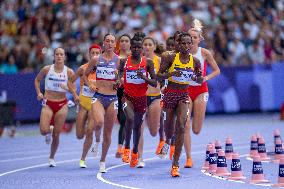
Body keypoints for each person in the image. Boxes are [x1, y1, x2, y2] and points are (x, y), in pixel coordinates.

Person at [157, 32, 202, 177]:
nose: (187, 46)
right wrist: (171, 74)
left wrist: (197, 78)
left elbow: (200, 79)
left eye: (190, 43)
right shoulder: (168, 57)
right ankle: (168, 141)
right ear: (178, 44)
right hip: (170, 94)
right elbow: (159, 76)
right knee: (169, 130)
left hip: (184, 95)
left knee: (182, 125)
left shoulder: (195, 61)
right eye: (184, 43)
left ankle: (175, 165)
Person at [183, 19, 220, 168]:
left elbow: (217, 70)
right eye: (189, 37)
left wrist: (206, 78)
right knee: (185, 125)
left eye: (194, 37)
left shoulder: (204, 53)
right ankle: (188, 158)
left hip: (200, 91)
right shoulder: (180, 54)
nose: (191, 40)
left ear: (199, 40)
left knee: (196, 129)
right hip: (186, 91)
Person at [34, 47, 79, 167]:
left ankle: (52, 158)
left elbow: (74, 88)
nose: (59, 56)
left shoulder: (69, 72)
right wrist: (39, 93)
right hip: (48, 102)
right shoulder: (47, 69)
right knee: (43, 130)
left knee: (57, 134)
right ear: (54, 56)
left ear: (65, 57)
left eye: (61, 54)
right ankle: (48, 131)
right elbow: (37, 80)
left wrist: (69, 89)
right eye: (57, 54)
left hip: (62, 104)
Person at [118, 32, 157, 167]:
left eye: (138, 48)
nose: (136, 49)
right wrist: (118, 80)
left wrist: (144, 77)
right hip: (127, 97)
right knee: (129, 118)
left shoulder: (148, 62)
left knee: (137, 127)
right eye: (133, 47)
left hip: (141, 99)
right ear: (131, 48)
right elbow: (119, 74)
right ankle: (127, 148)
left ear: (142, 49)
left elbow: (154, 82)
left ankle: (135, 151)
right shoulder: (124, 61)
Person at [85, 34, 119, 173]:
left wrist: (119, 81)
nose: (110, 43)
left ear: (115, 44)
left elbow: (122, 79)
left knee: (108, 132)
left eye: (112, 41)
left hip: (112, 99)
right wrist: (90, 85)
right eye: (107, 41)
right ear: (104, 43)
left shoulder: (119, 61)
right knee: (98, 122)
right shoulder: (95, 59)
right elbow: (85, 75)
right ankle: (96, 139)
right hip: (98, 97)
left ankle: (103, 161)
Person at [74, 44, 102, 168]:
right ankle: (95, 136)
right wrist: (75, 94)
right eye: (93, 53)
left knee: (89, 130)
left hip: (95, 103)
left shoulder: (104, 70)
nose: (95, 55)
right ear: (88, 54)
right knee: (80, 135)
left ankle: (82, 159)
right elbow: (70, 81)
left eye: (97, 53)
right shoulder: (82, 68)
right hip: (83, 103)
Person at [137, 36, 162, 168]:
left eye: (149, 44)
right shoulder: (138, 61)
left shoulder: (159, 60)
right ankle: (140, 157)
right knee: (139, 128)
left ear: (154, 46)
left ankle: (162, 134)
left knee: (153, 131)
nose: (146, 47)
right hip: (140, 98)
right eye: (144, 45)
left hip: (155, 98)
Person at [115, 34, 131, 158]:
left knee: (127, 120)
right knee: (122, 120)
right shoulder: (114, 58)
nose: (124, 43)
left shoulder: (134, 57)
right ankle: (122, 147)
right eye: (122, 41)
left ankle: (122, 148)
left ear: (130, 43)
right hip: (118, 92)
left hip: (131, 92)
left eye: (126, 41)